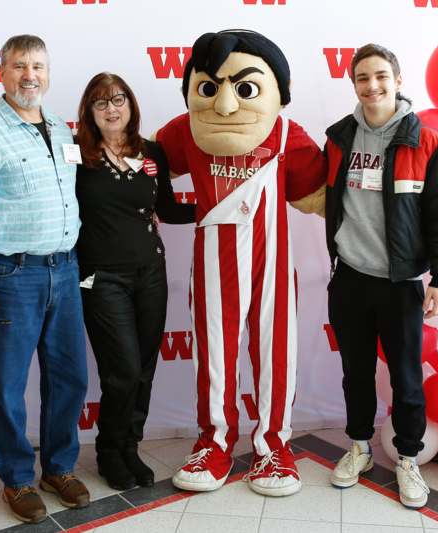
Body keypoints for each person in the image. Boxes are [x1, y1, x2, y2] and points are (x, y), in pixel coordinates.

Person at [155, 30, 327, 497]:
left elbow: (320, 196)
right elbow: (145, 166)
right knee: (214, 358)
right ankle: (214, 442)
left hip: (272, 265)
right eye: (211, 87)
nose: (226, 104)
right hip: (211, 266)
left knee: (275, 356)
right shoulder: (187, 128)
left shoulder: (289, 134)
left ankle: (274, 445)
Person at [309, 43, 438, 509]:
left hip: (401, 283)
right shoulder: (338, 137)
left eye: (380, 76)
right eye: (362, 78)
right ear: (353, 84)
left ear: (397, 79)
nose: (372, 86)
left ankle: (408, 460)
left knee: (406, 376)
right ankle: (357, 447)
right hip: (350, 277)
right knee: (355, 372)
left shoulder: (427, 141)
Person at [0, 34, 90, 524]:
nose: (30, 75)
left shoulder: (61, 128)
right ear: (1, 72)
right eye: (19, 66)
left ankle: (59, 467)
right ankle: (16, 477)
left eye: (38, 66)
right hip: (11, 276)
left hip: (65, 269)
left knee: (70, 376)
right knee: (9, 383)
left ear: (48, 72)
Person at [74, 73, 196, 491]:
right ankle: (109, 450)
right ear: (89, 112)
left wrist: (216, 204)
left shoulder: (153, 152)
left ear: (131, 104)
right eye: (101, 102)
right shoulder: (76, 154)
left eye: (119, 99)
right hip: (100, 278)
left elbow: (168, 207)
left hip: (150, 274)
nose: (112, 109)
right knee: (121, 371)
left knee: (143, 368)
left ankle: (130, 447)